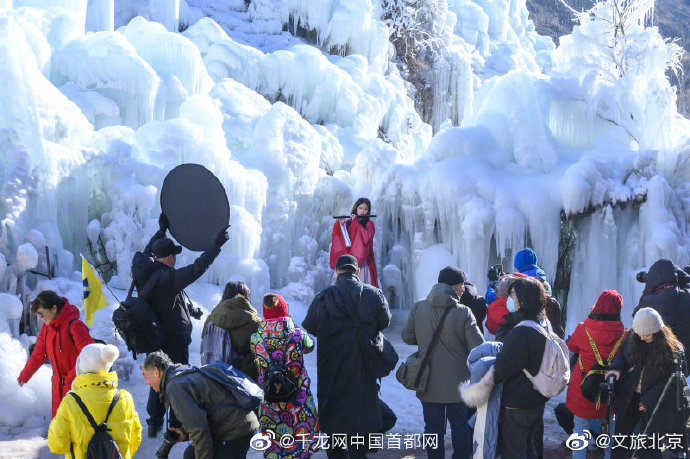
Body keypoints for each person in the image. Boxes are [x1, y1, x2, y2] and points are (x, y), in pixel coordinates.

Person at [131, 213, 229, 436]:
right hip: (173, 340)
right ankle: (176, 423)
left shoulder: (144, 270)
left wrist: (161, 231)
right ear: (168, 259)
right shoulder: (168, 279)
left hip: (154, 338)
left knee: (157, 380)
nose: (175, 259)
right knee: (178, 382)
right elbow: (198, 268)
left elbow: (148, 251)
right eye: (173, 255)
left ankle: (154, 422)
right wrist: (216, 245)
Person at [303, 254, 395, 458]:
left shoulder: (323, 297)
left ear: (337, 272)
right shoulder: (373, 294)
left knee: (334, 427)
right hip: (362, 370)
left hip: (331, 371)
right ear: (357, 271)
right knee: (359, 425)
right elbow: (384, 322)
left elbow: (310, 325)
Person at [401, 266, 485, 458]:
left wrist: (423, 339)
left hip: (428, 382)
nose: (464, 289)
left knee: (432, 430)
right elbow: (478, 347)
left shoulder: (418, 306)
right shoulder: (463, 312)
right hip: (459, 385)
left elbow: (406, 337)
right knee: (460, 428)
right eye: (462, 284)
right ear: (453, 286)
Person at [141, 351, 259, 459]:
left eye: (145, 376)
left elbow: (200, 430)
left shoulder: (175, 387)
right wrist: (184, 434)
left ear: (156, 372)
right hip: (238, 423)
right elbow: (206, 413)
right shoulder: (181, 374)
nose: (146, 382)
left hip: (235, 431)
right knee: (190, 455)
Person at [605, 308, 687, 458]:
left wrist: (648, 400)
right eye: (639, 334)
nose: (642, 338)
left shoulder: (673, 350)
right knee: (621, 441)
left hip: (654, 402)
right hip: (630, 396)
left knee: (649, 447)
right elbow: (623, 354)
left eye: (647, 335)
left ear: (658, 332)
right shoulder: (634, 336)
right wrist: (616, 369)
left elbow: (673, 383)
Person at [250, 293, 319, 457]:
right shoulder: (297, 335)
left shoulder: (256, 338)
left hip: (270, 397)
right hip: (297, 397)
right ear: (284, 310)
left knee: (273, 440)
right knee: (300, 437)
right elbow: (310, 346)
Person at [47, 343, 141, 458]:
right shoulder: (124, 397)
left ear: (81, 367)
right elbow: (136, 437)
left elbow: (57, 445)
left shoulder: (70, 401)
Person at [566, 290, 626, 459]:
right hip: (609, 390)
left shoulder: (582, 329)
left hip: (583, 388)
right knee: (608, 428)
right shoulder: (624, 335)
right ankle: (609, 456)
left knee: (579, 429)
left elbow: (571, 348)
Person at [493, 277, 549, 457]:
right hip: (537, 397)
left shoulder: (521, 330)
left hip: (516, 401)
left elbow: (503, 368)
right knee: (532, 447)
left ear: (524, 299)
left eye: (513, 295)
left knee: (514, 450)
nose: (510, 299)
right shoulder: (542, 323)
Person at [18, 290, 94, 417]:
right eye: (38, 315)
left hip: (77, 387)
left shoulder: (75, 326)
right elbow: (39, 354)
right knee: (59, 428)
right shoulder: (47, 328)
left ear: (53, 308)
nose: (41, 318)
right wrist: (24, 375)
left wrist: (70, 381)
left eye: (42, 314)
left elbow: (90, 356)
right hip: (57, 387)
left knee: (77, 428)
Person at [634, 258, 690, 368]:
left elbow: (635, 316)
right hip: (686, 359)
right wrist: (678, 272)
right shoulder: (686, 296)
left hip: (661, 361)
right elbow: (688, 281)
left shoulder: (647, 302)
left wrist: (650, 284)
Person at [201, 281, 261, 381]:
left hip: (211, 374)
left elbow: (204, 338)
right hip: (241, 380)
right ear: (246, 297)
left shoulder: (211, 317)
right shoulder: (255, 323)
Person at [329, 197, 378, 287]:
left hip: (364, 260)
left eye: (365, 209)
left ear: (368, 211)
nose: (362, 211)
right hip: (349, 259)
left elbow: (367, 238)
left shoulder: (369, 224)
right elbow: (345, 240)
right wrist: (341, 225)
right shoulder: (348, 222)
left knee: (362, 286)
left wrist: (356, 224)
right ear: (356, 208)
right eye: (360, 208)